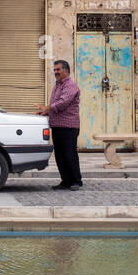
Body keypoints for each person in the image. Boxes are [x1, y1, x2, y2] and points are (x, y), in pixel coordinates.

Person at [38, 59, 82, 189]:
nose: (55, 72)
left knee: (69, 154)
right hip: (57, 126)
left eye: (58, 69)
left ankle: (76, 181)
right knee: (60, 156)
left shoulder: (70, 85)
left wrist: (47, 108)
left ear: (66, 71)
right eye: (55, 70)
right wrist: (45, 112)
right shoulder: (57, 85)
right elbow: (55, 106)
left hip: (68, 127)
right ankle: (65, 181)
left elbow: (63, 103)